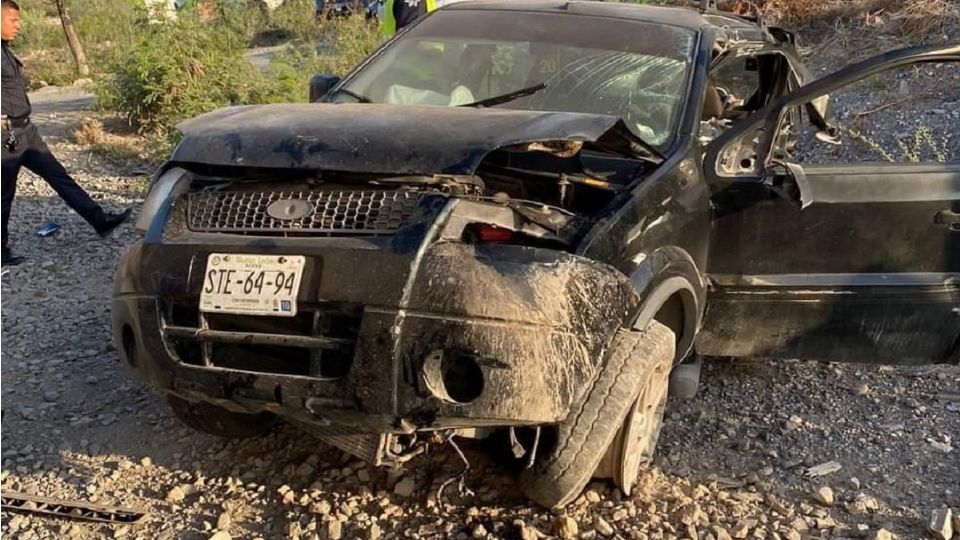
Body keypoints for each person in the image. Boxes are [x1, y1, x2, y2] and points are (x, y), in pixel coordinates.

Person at [1, 0, 130, 267]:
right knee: (4, 193)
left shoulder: (6, 50)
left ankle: (100, 220)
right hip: (7, 135)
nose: (18, 25)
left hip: (27, 130)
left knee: (59, 176)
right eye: (13, 20)